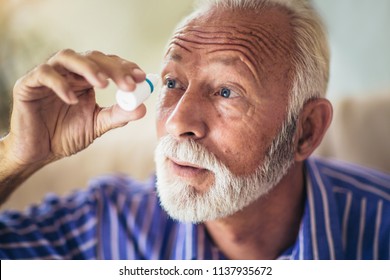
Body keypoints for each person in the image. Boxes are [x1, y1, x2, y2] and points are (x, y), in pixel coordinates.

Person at [0, 0, 389, 260]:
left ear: (306, 130)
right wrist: (17, 155)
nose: (177, 122)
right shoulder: (108, 225)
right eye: (172, 83)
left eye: (225, 91)